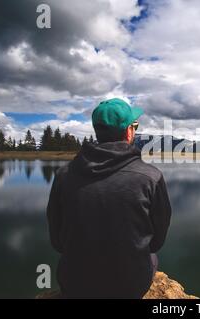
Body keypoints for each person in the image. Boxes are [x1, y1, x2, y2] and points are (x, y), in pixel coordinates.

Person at [46, 98, 172, 299]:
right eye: (135, 126)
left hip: (75, 284)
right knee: (151, 256)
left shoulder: (63, 175)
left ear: (98, 131)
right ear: (129, 132)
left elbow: (57, 241)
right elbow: (156, 242)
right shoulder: (151, 177)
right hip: (129, 287)